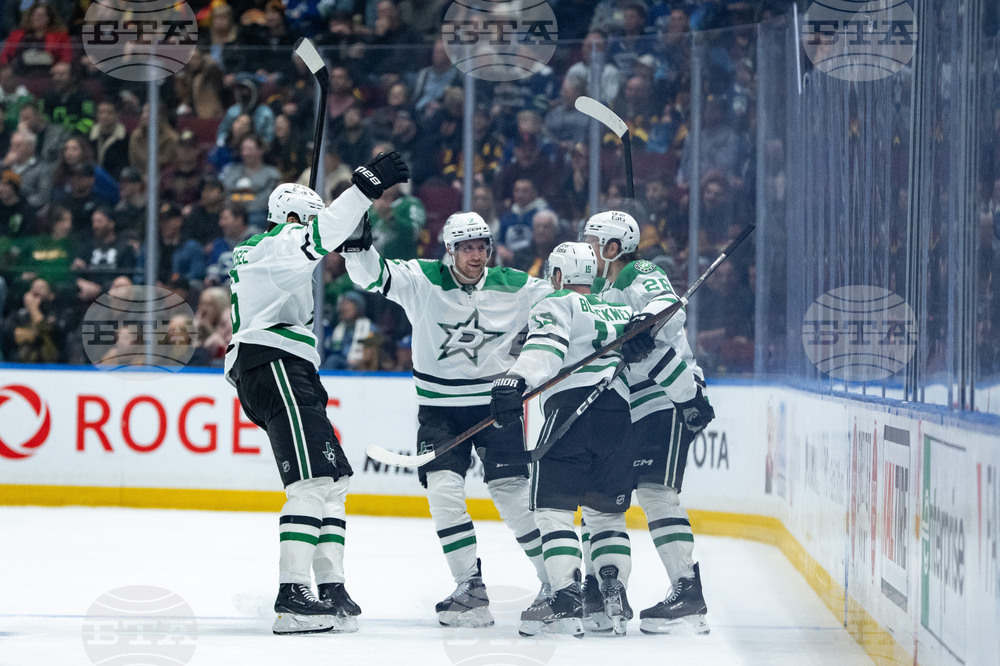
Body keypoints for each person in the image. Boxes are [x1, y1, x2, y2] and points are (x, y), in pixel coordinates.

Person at [225, 150, 410, 634]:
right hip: (274, 363)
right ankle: (292, 596)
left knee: (332, 479)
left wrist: (355, 240)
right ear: (291, 218)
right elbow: (320, 235)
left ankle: (329, 585)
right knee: (309, 483)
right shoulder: (278, 244)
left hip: (285, 368)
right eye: (309, 222)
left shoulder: (268, 251)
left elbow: (328, 237)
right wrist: (365, 190)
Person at [343, 212, 552, 627]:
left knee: (512, 496)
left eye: (481, 247)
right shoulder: (422, 278)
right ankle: (468, 588)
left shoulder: (515, 283)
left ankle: (559, 583)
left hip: (498, 404)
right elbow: (371, 277)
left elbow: (565, 300)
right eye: (467, 248)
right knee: (443, 494)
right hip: (439, 410)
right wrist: (356, 247)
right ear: (450, 250)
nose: (476, 256)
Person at [489, 241, 636, 637]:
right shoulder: (623, 310)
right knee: (606, 514)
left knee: (552, 513)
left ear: (557, 275)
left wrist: (514, 379)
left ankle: (566, 600)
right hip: (619, 418)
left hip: (572, 413)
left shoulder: (558, 302)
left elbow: (547, 348)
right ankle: (611, 598)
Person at [582, 209, 715, 635]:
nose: (586, 249)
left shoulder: (639, 270)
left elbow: (668, 307)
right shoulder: (600, 287)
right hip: (627, 403)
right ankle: (602, 585)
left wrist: (644, 322)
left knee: (656, 492)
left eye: (592, 242)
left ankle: (687, 592)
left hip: (667, 395)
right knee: (602, 499)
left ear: (612, 248)